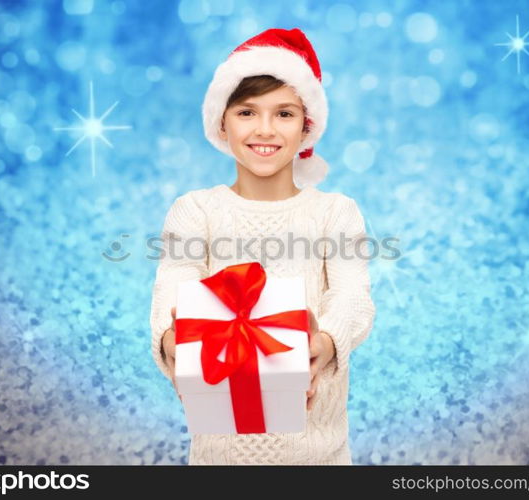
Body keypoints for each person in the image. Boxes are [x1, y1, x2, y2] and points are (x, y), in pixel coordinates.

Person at [149, 27, 376, 465]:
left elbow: (353, 298)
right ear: (222, 121)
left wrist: (324, 342)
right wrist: (171, 337)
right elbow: (172, 286)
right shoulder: (195, 211)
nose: (265, 130)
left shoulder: (336, 213)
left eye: (285, 114)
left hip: (319, 457)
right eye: (247, 112)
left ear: (307, 125)